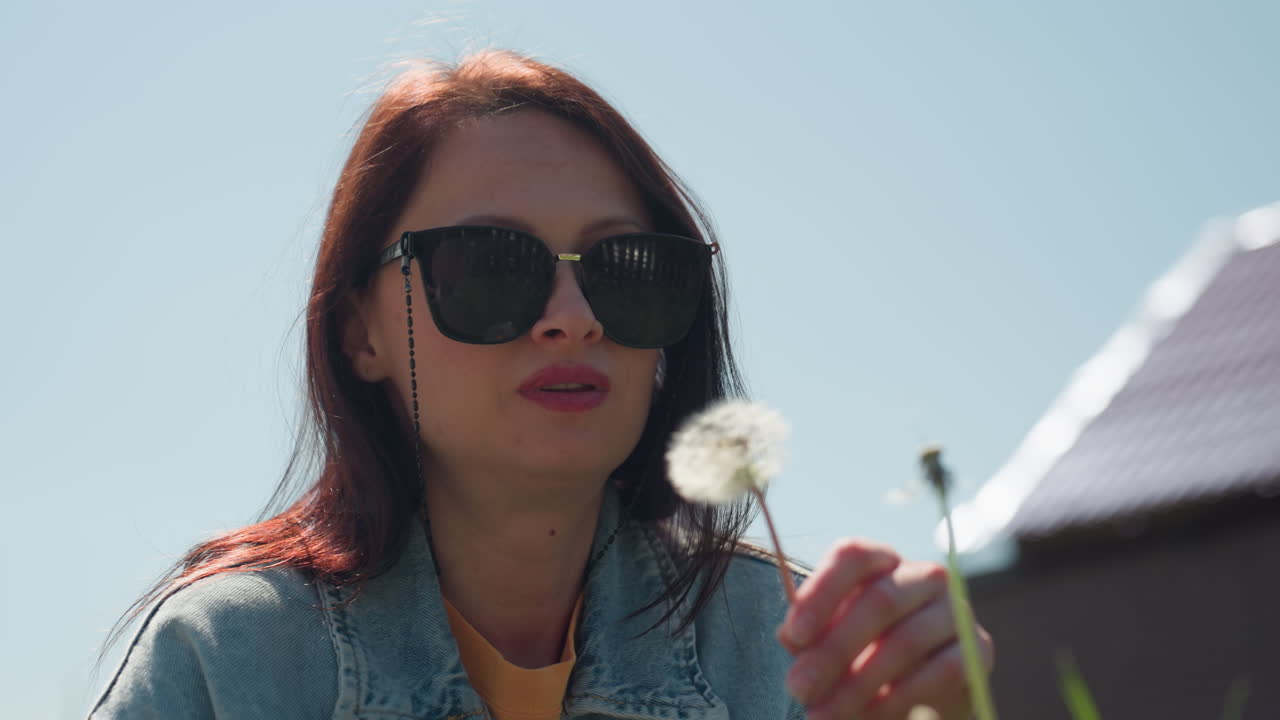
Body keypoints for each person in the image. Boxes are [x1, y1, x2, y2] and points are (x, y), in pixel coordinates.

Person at [89, 50, 993, 720]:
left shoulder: (792, 653)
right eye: (490, 266)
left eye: (628, 268)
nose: (573, 317)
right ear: (359, 330)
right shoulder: (231, 662)